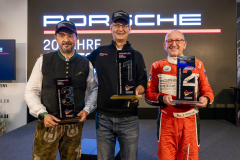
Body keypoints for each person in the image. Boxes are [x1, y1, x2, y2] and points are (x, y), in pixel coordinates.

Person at [25, 20, 98, 160]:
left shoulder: (85, 63)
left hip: (74, 125)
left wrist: (87, 109)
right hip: (48, 122)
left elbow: (94, 89)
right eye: (62, 35)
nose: (66, 39)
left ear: (77, 38)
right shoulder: (43, 60)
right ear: (56, 38)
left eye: (70, 35)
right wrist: (43, 114)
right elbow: (31, 91)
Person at [87, 10, 147, 160]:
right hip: (103, 119)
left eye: (124, 25)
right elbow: (79, 64)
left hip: (129, 119)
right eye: (117, 25)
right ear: (111, 28)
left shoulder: (137, 55)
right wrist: (49, 58)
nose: (120, 29)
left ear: (130, 29)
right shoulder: (99, 52)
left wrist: (137, 92)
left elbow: (142, 82)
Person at [145, 29, 214, 160]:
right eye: (169, 41)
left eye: (178, 40)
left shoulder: (197, 64)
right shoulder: (157, 66)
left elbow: (208, 91)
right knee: (165, 156)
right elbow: (149, 94)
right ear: (165, 45)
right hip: (166, 120)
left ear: (184, 44)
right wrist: (162, 98)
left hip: (189, 121)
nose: (174, 44)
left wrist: (205, 99)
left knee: (189, 157)